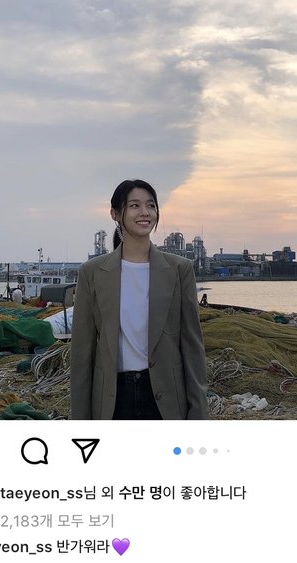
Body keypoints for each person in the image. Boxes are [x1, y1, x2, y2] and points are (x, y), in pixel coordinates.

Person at [71, 179, 208, 420]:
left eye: (151, 205)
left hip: (166, 400)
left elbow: (192, 347)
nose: (145, 212)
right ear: (115, 214)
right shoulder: (92, 273)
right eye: (134, 205)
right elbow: (82, 353)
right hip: (113, 400)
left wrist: (198, 415)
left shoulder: (179, 270)